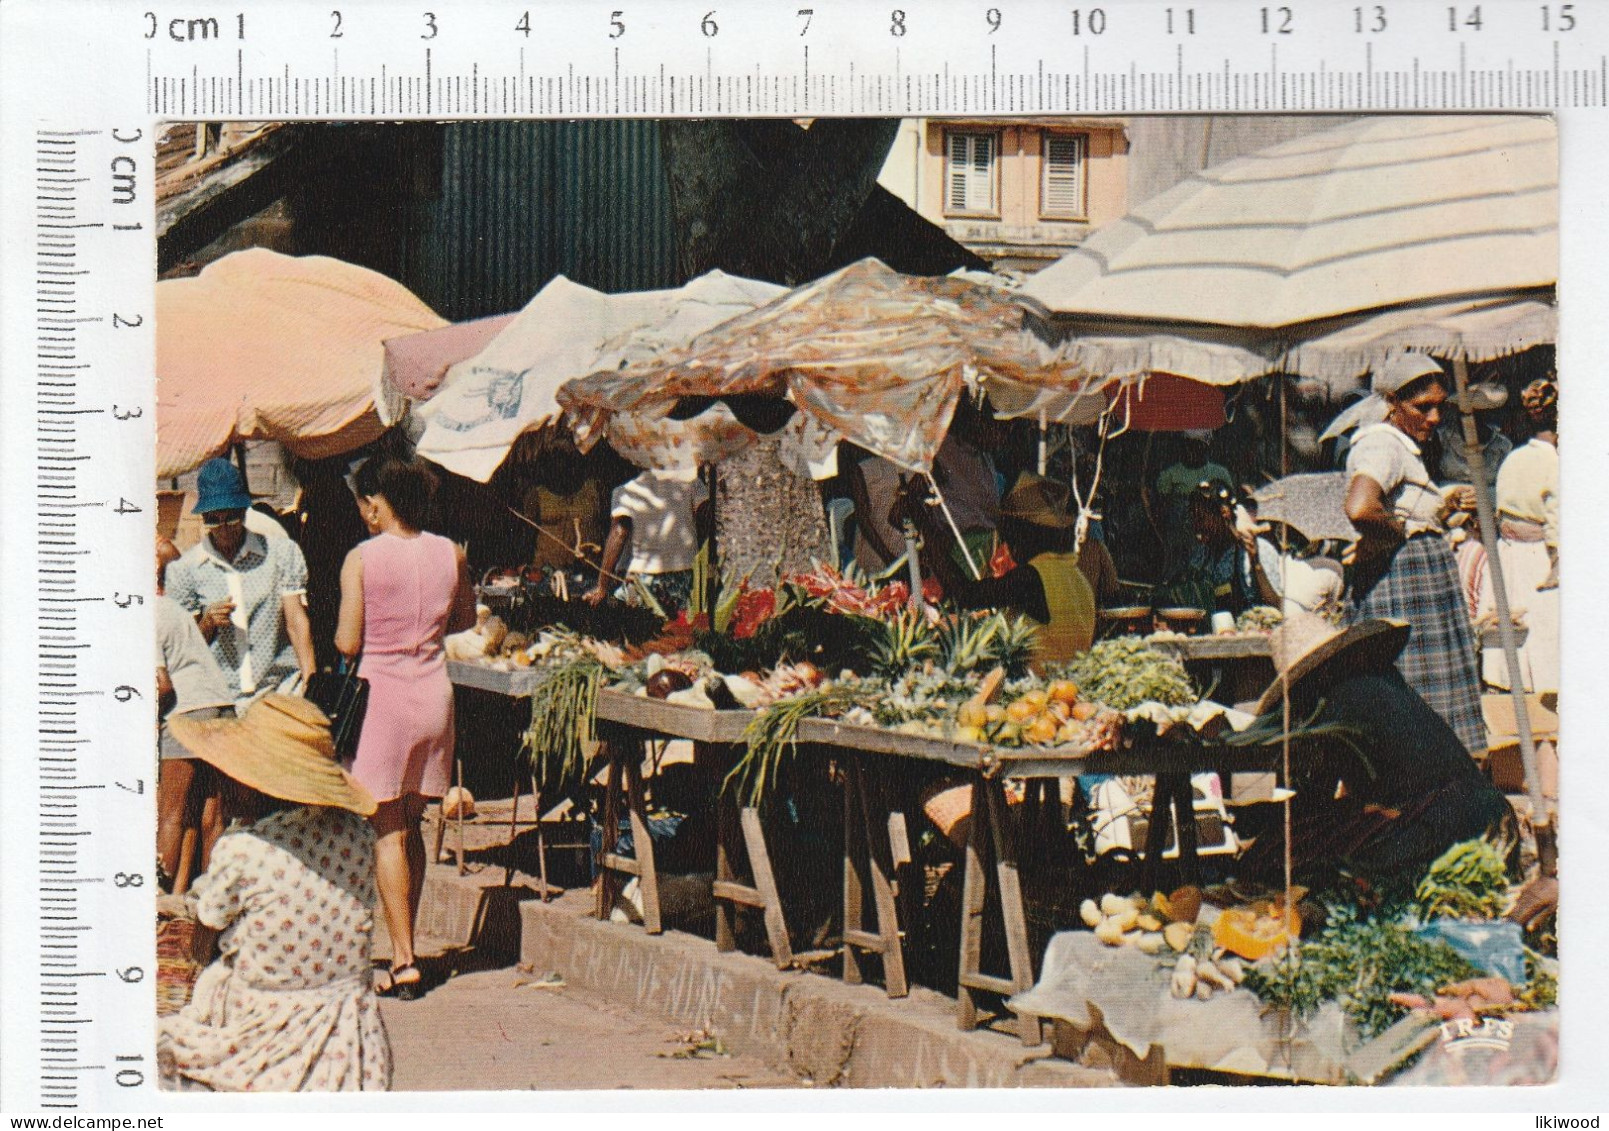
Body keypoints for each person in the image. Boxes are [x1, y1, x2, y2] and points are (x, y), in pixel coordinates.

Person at [157, 694, 392, 1091]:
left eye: (231, 772)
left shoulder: (243, 849)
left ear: (261, 784)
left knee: (157, 1047)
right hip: (354, 1036)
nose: (220, 780)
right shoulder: (358, 834)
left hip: (263, 1035)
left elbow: (203, 940)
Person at [336, 456, 476, 1000]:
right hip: (433, 696)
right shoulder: (451, 551)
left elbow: (349, 642)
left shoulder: (362, 559)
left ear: (375, 503)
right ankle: (407, 943)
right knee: (411, 822)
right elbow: (463, 620)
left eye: (364, 505)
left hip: (384, 698)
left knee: (386, 828)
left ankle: (403, 958)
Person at [1237, 613, 1514, 885]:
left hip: (1445, 825)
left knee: (1295, 856)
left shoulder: (1336, 702)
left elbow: (1316, 796)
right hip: (1490, 812)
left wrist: (1260, 823)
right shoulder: (1382, 679)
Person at [1340, 353, 1486, 755]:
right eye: (1422, 407)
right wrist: (1401, 531)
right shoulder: (1381, 443)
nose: (1435, 417)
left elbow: (1401, 501)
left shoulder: (1402, 444)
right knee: (1414, 695)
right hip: (1405, 582)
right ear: (1390, 403)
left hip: (1420, 581)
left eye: (1440, 406)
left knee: (1429, 693)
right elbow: (1360, 507)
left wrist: (1443, 503)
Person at [908, 471, 1095, 671]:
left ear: (1027, 535)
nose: (1008, 544)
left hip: (1040, 689)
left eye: (1012, 535)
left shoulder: (1033, 576)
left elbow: (965, 595)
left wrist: (925, 525)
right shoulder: (1074, 574)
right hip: (1067, 685)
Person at [165, 458, 317, 704]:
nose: (223, 527)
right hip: (224, 698)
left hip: (280, 690)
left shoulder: (280, 553)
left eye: (231, 517)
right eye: (213, 519)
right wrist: (207, 623)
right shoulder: (186, 570)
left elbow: (296, 621)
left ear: (244, 512)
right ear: (203, 517)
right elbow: (184, 650)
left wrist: (312, 682)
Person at [156, 536, 237, 889]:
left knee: (171, 814)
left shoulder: (149, 612)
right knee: (211, 814)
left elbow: (161, 683)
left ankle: (157, 902)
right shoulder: (175, 611)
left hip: (188, 712)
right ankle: (209, 906)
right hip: (222, 707)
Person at [1482, 377, 1559, 694]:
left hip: (1507, 553)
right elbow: (1557, 518)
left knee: (1513, 635)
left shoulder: (1514, 457)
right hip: (1538, 557)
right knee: (1544, 639)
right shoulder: (1556, 464)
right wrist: (1558, 561)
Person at [584, 468, 709, 618]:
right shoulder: (692, 484)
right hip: (684, 574)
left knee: (644, 631)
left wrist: (602, 586)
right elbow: (706, 519)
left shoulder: (626, 491)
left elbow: (619, 533)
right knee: (680, 632)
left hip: (645, 577)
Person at [1157, 483, 1283, 616]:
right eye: (1193, 519)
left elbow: (1276, 603)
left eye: (1200, 518)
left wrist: (1256, 562)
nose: (1196, 526)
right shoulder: (1202, 554)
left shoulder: (1257, 549)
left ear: (1224, 513)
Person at [1154, 432, 1233, 573]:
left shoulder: (1220, 473)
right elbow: (1161, 506)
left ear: (1206, 448)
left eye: (1198, 446)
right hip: (1180, 532)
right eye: (1189, 445)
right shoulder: (1169, 475)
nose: (1193, 451)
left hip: (1211, 534)